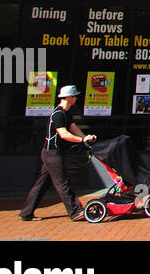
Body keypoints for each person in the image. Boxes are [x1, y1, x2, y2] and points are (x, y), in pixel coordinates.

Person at [19, 85, 97, 222]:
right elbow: (64, 134)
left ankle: (26, 213)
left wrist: (86, 138)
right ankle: (76, 211)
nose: (76, 98)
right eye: (74, 96)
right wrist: (82, 140)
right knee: (63, 182)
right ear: (68, 97)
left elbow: (73, 127)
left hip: (52, 153)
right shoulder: (58, 114)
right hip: (52, 153)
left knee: (42, 184)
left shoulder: (66, 113)